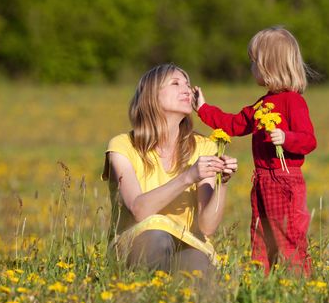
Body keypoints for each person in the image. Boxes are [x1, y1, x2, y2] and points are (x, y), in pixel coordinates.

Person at [194, 26, 316, 275]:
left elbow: (309, 141)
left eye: (254, 62)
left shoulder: (294, 102)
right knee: (261, 234)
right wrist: (203, 108)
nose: (251, 68)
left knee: (288, 235)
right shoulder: (263, 104)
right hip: (262, 180)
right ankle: (259, 282)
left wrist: (286, 138)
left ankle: (301, 282)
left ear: (270, 66)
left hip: (284, 180)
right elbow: (233, 124)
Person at [102, 63, 238, 275]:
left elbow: (207, 227)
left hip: (187, 245)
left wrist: (223, 183)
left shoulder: (205, 147)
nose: (186, 89)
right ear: (151, 96)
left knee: (198, 264)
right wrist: (188, 177)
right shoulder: (122, 146)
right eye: (175, 83)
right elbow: (139, 210)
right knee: (157, 235)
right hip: (135, 246)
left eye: (187, 84)